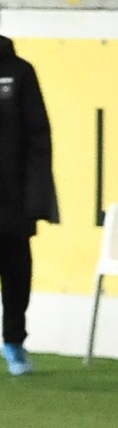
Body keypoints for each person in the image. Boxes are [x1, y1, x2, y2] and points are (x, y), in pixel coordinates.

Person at [0, 35, 59, 376]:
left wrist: (36, 198)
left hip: (11, 198)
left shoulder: (19, 73)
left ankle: (13, 342)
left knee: (15, 271)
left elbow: (39, 139)